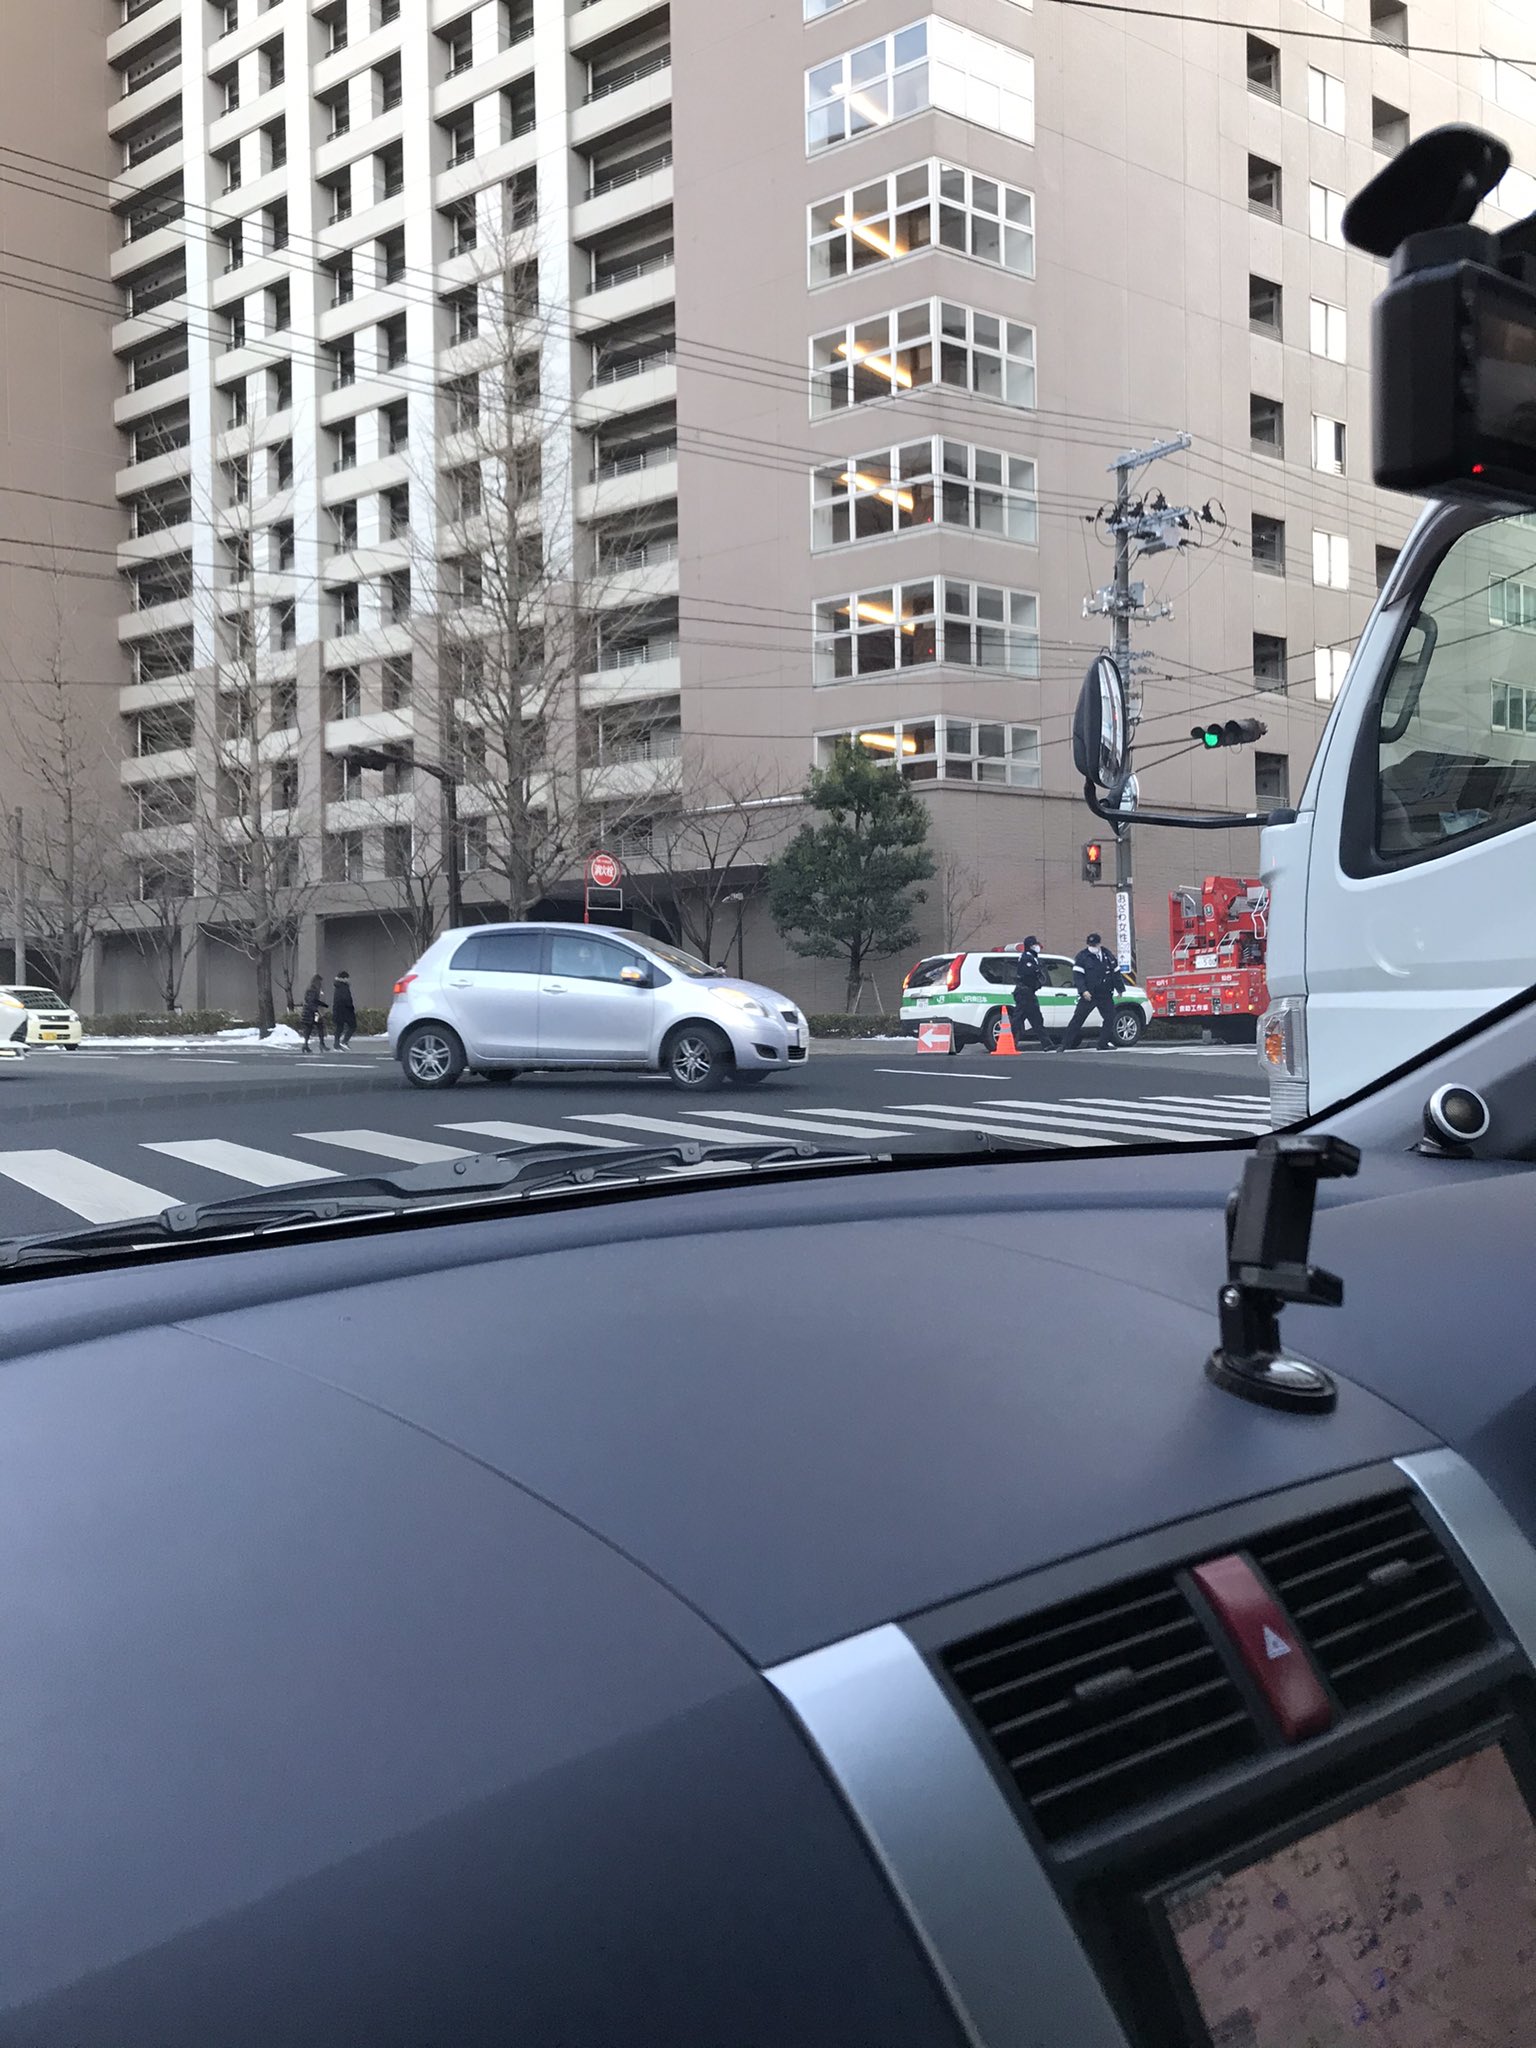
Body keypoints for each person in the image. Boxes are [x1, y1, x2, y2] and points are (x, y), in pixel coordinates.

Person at [1059, 931, 1126, 1051]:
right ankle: (1064, 1045)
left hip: (1105, 993)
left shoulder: (1108, 955)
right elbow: (1078, 976)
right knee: (1078, 1019)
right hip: (1089, 994)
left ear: (1099, 944)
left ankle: (1103, 1044)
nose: (1092, 948)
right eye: (1090, 945)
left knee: (1110, 1018)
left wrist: (1120, 988)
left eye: (1094, 945)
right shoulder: (1082, 957)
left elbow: (1115, 973)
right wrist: (1083, 991)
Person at [1008, 936, 1056, 1051]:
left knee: (1036, 1019)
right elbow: (1028, 973)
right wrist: (1038, 969)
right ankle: (1008, 1041)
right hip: (1024, 993)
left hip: (1029, 993)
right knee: (1018, 1019)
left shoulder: (1032, 958)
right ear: (1031, 946)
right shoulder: (1026, 958)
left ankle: (1047, 1044)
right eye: (1035, 945)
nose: (1037, 947)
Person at [300, 974, 329, 1054]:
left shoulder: (312, 989)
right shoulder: (312, 989)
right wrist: (317, 1010)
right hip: (311, 1012)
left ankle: (306, 1045)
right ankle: (321, 1044)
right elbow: (312, 1001)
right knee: (319, 1026)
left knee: (309, 1029)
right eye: (320, 982)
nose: (321, 984)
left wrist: (323, 1005)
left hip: (309, 1012)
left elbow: (312, 1000)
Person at [331, 969, 357, 1049]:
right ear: (344, 978)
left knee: (339, 1027)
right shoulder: (343, 987)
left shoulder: (338, 986)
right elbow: (346, 999)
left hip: (338, 1010)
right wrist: (351, 1007)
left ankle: (337, 1044)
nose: (348, 979)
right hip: (345, 1010)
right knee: (352, 1026)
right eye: (347, 978)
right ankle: (344, 1042)